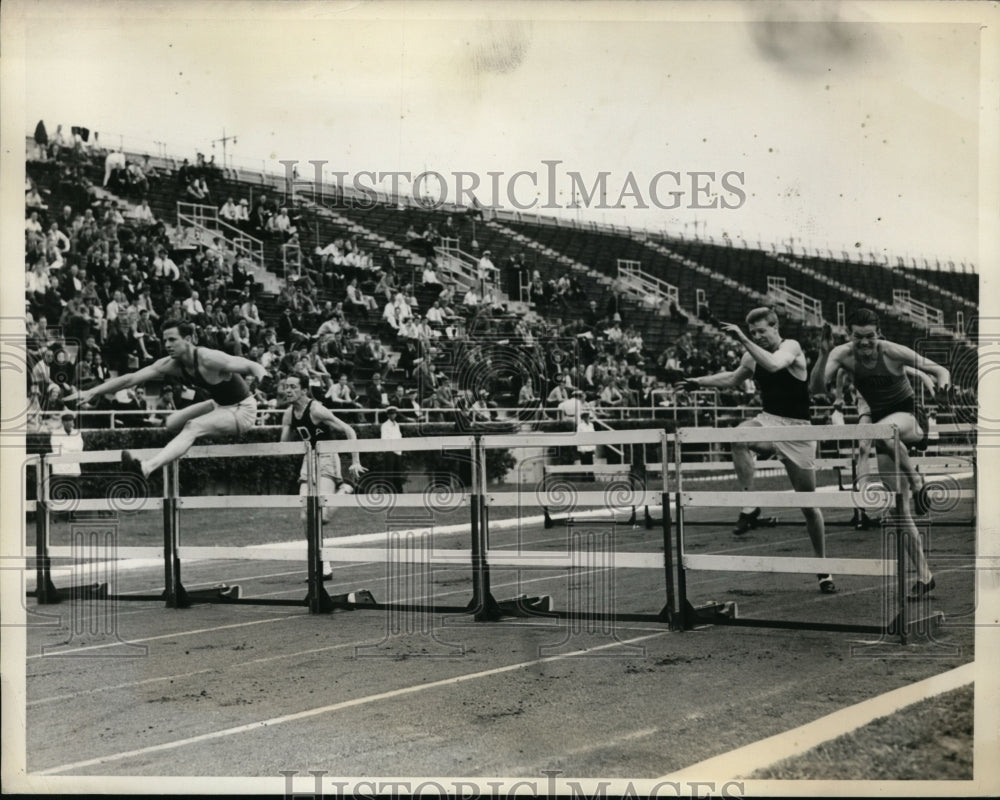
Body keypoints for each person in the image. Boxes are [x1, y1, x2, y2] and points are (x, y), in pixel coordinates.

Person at [678, 307, 834, 595]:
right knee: (739, 434)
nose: (757, 337)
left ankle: (823, 568)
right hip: (768, 421)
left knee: (809, 506)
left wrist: (742, 338)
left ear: (776, 328)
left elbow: (775, 365)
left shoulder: (791, 347)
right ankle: (750, 504)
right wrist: (699, 382)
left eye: (762, 331)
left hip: (798, 430)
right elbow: (733, 378)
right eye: (753, 333)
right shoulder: (751, 355)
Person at [810, 308, 950, 599]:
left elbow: (938, 369)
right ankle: (925, 576)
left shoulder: (891, 351)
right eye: (858, 337)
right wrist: (823, 354)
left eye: (870, 337)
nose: (864, 344)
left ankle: (917, 482)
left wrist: (942, 385)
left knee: (882, 432)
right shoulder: (842, 354)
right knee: (899, 511)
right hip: (883, 429)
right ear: (850, 335)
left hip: (910, 417)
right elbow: (815, 389)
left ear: (879, 334)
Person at [65, 319, 264, 478]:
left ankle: (146, 468)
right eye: (165, 340)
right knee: (171, 423)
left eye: (172, 340)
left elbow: (250, 366)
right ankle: (198, 435)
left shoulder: (208, 358)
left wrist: (264, 377)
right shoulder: (172, 364)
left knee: (192, 427)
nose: (167, 345)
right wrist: (92, 391)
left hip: (243, 410)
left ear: (189, 339)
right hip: (219, 405)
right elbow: (131, 379)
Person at [280, 371, 367, 579]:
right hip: (307, 460)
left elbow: (349, 430)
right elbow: (282, 446)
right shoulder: (289, 413)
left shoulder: (316, 409)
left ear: (303, 389)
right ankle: (323, 565)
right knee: (305, 516)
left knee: (322, 517)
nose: (288, 390)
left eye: (293, 387)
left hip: (327, 457)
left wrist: (355, 461)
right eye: (286, 386)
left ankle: (346, 489)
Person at [380, 406, 405, 493]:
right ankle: (388, 492)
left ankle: (399, 492)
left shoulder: (397, 425)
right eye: (390, 414)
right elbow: (384, 439)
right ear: (388, 415)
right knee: (389, 473)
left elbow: (399, 437)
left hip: (397, 451)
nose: (393, 415)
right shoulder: (385, 425)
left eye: (394, 413)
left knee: (397, 473)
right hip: (389, 451)